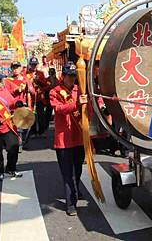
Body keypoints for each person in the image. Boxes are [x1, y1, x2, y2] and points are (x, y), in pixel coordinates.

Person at [50, 62, 86, 216]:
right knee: (67, 173)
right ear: (62, 76)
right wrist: (76, 104)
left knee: (77, 170)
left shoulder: (81, 90)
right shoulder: (55, 92)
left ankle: (76, 191)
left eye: (74, 76)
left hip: (79, 137)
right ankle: (70, 203)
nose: (72, 79)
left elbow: (89, 108)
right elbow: (58, 109)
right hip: (63, 140)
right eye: (69, 76)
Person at [4, 61, 35, 151]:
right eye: (13, 68)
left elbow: (33, 92)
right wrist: (16, 90)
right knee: (17, 125)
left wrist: (30, 89)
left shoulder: (25, 79)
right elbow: (7, 93)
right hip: (14, 106)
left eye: (17, 67)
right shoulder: (8, 81)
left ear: (20, 68)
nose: (15, 69)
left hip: (25, 105)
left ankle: (25, 141)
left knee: (27, 125)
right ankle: (19, 144)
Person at [25, 57, 48, 136]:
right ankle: (33, 131)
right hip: (30, 99)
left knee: (41, 115)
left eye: (35, 65)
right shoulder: (26, 74)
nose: (34, 66)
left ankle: (42, 131)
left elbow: (46, 85)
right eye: (32, 65)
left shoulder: (40, 73)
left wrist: (39, 81)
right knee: (32, 115)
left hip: (39, 97)